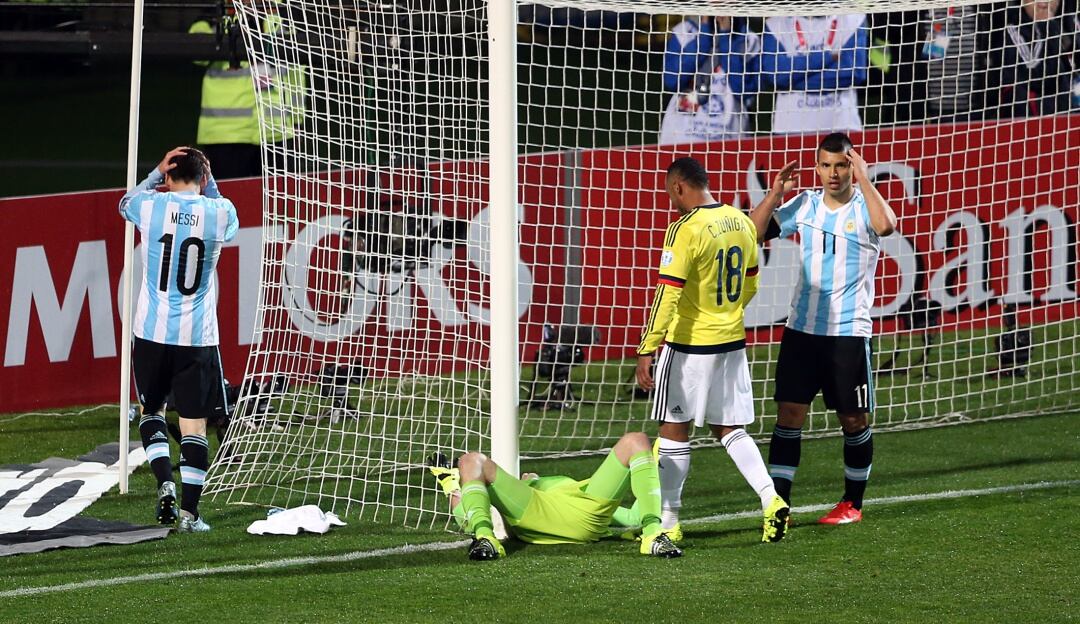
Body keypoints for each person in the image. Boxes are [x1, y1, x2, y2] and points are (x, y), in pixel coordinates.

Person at [634, 157, 790, 544]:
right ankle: (771, 499)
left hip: (689, 346)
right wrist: (727, 314)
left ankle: (669, 521)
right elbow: (752, 282)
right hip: (731, 341)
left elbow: (667, 294)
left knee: (673, 431)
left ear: (678, 188)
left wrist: (647, 346)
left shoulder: (684, 229)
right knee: (729, 428)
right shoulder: (740, 220)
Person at [749, 133, 897, 525]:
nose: (834, 173)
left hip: (848, 332)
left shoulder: (866, 207)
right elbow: (753, 233)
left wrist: (866, 180)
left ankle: (853, 504)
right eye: (827, 165)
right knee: (789, 413)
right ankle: (778, 505)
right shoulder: (806, 205)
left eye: (842, 165)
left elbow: (887, 227)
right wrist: (775, 193)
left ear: (853, 166)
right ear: (817, 168)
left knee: (853, 420)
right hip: (801, 330)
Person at [119, 147, 239, 533]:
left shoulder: (151, 207)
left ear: (169, 178)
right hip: (196, 338)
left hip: (151, 333)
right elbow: (221, 207)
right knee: (194, 426)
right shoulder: (220, 213)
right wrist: (209, 177)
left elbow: (125, 203)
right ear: (203, 179)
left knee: (152, 412)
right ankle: (190, 514)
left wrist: (156, 172)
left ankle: (164, 484)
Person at [428, 432, 682, 560]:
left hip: (584, 510)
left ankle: (653, 536)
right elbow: (465, 513)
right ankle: (485, 539)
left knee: (636, 439)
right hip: (546, 513)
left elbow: (633, 516)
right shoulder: (521, 493)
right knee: (471, 461)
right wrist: (452, 487)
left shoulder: (532, 488)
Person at [659, 16, 760, 144]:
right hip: (682, 134)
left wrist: (725, 36)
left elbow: (745, 91)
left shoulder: (749, 39)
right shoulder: (684, 31)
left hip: (728, 135)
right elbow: (672, 80)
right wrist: (704, 36)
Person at [760, 14, 870, 133]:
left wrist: (792, 80)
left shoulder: (853, 20)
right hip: (791, 128)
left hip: (842, 125)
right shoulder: (776, 24)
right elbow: (776, 76)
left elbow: (852, 73)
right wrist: (828, 57)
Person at [989, 0, 1080, 117]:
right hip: (1022, 120)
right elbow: (1031, 77)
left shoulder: (1068, 25)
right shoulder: (1007, 28)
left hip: (1064, 117)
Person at [918, 5, 993, 122]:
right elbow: (931, 55)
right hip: (942, 102)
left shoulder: (976, 8)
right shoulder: (931, 11)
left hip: (974, 101)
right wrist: (945, 26)